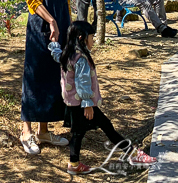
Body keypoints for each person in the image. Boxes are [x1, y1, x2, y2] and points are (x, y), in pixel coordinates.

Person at [49, 21, 157, 174]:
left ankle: (74, 164)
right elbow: (82, 82)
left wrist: (54, 45)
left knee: (78, 134)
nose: (93, 41)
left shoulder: (67, 54)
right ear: (82, 38)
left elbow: (56, 55)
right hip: (83, 104)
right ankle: (132, 154)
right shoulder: (81, 59)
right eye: (91, 37)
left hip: (72, 103)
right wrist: (87, 104)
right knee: (107, 127)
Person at [20, 0, 71, 155]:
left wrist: (70, 29)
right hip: (40, 32)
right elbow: (33, 0)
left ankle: (43, 131)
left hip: (61, 32)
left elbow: (67, 3)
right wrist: (51, 21)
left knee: (53, 79)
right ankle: (26, 131)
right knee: (35, 78)